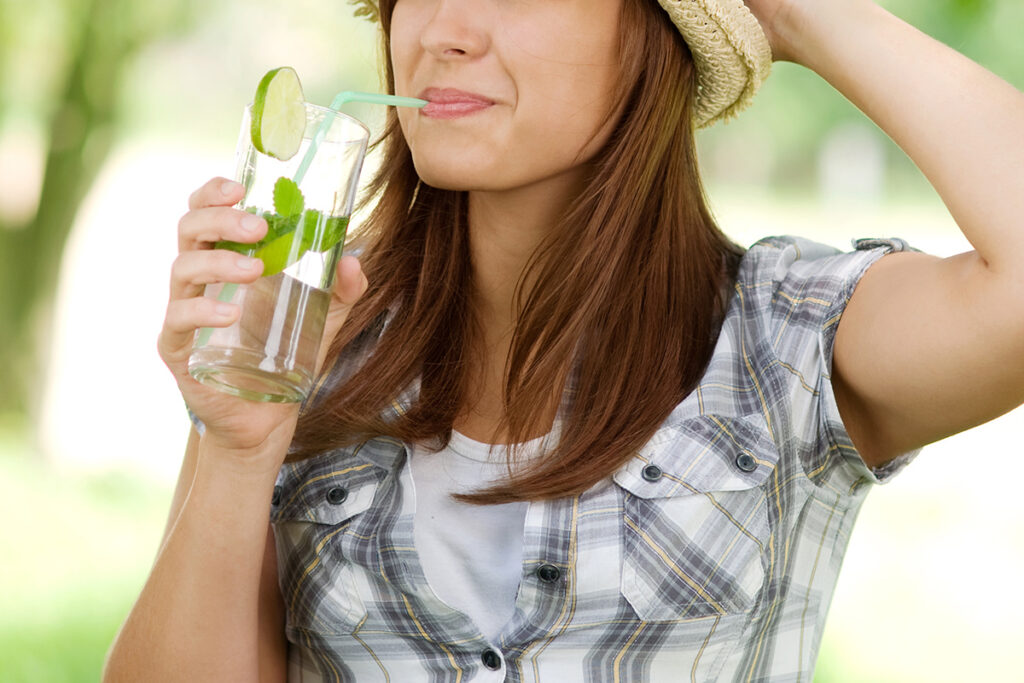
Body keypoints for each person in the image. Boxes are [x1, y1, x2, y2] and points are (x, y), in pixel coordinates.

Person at [103, 0, 1024, 680]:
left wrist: (800, 16)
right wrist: (237, 446)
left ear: (653, 32)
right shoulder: (301, 336)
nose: (444, 30)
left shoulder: (786, 338)